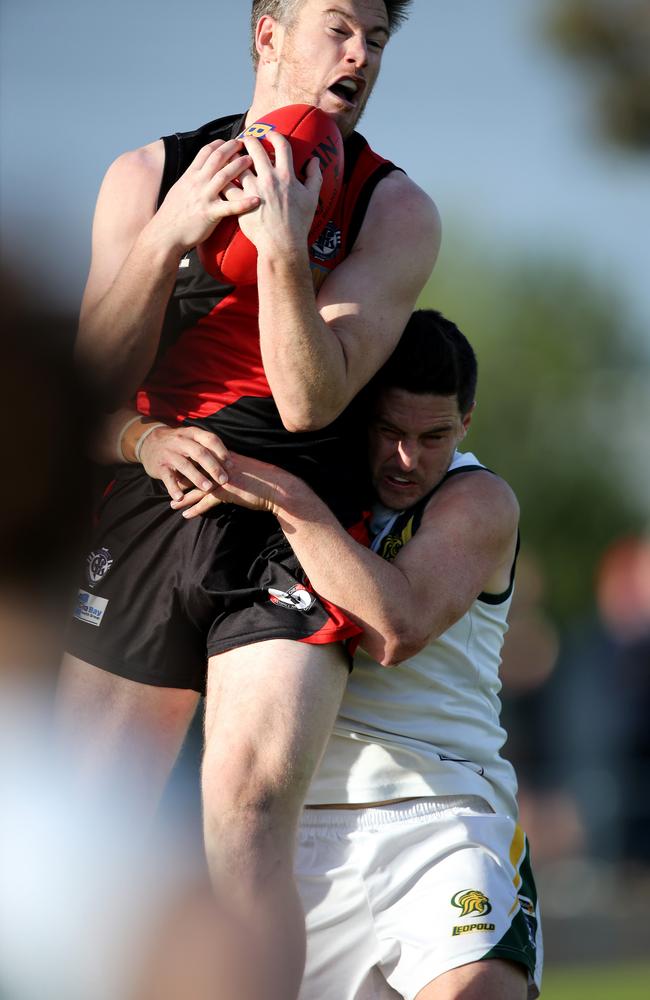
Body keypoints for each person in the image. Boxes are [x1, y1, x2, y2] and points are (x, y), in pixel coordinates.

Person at [59, 3, 439, 998]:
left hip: (287, 517)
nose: (359, 53)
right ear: (266, 33)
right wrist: (173, 233)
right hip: (146, 509)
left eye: (376, 37)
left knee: (245, 810)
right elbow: (82, 392)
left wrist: (282, 246)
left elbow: (313, 397)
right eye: (336, 25)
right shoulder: (146, 174)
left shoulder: (392, 209)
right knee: (84, 822)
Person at [173, 310, 544, 1000]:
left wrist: (284, 499)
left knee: (481, 989)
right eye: (390, 433)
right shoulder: (315, 484)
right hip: (293, 836)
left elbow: (395, 629)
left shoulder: (478, 499)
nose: (408, 459)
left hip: (441, 815)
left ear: (466, 423)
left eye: (434, 436)